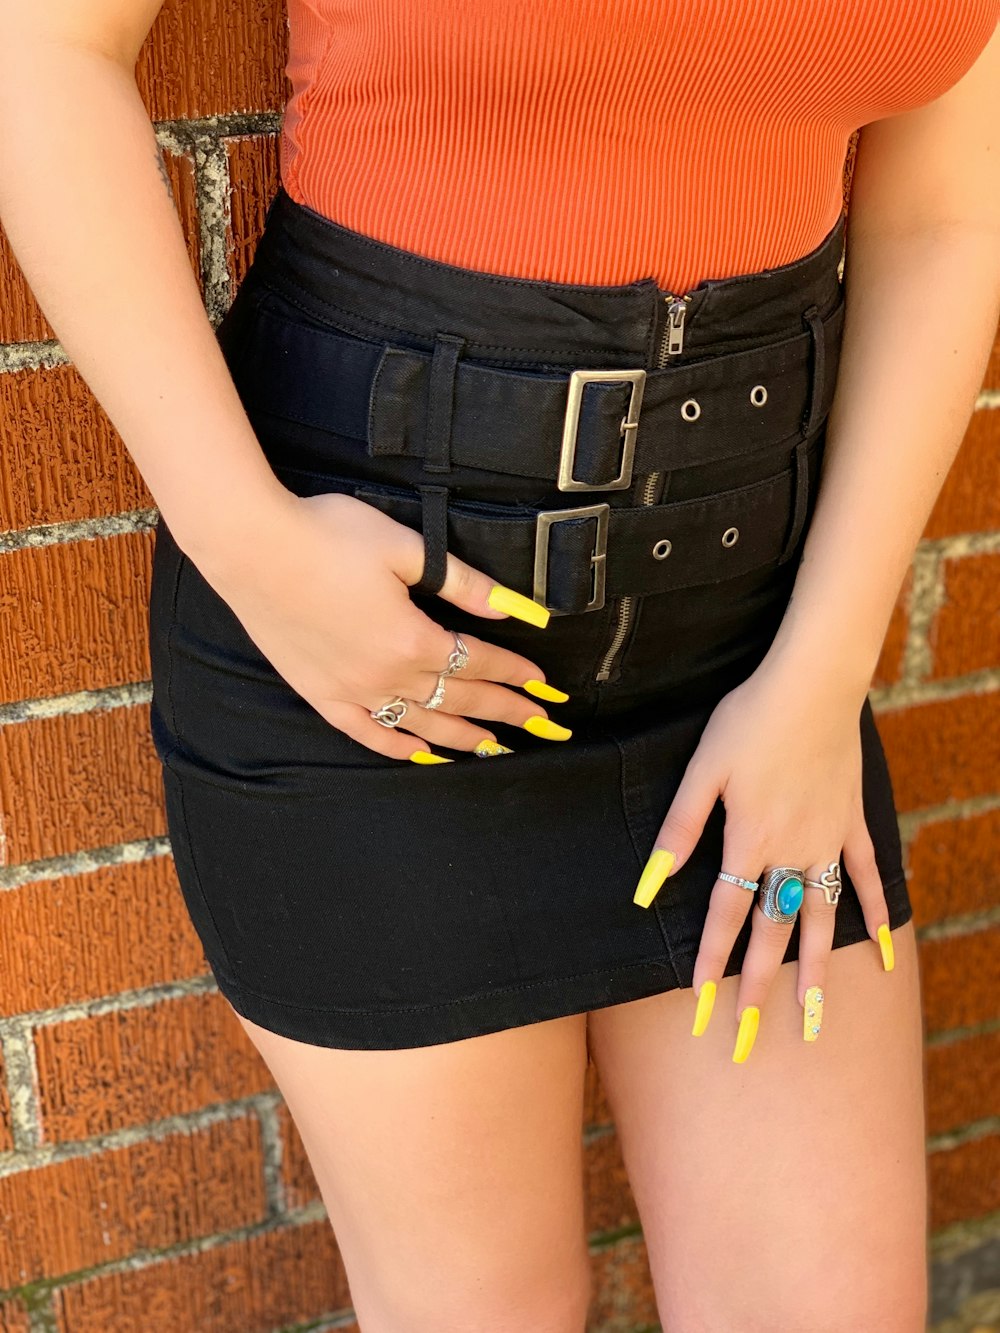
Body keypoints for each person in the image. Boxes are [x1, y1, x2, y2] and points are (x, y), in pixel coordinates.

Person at [2, 2, 998, 1329]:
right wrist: (254, 552)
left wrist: (819, 686)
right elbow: (39, 51)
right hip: (376, 655)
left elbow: (947, 215)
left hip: (756, 655)